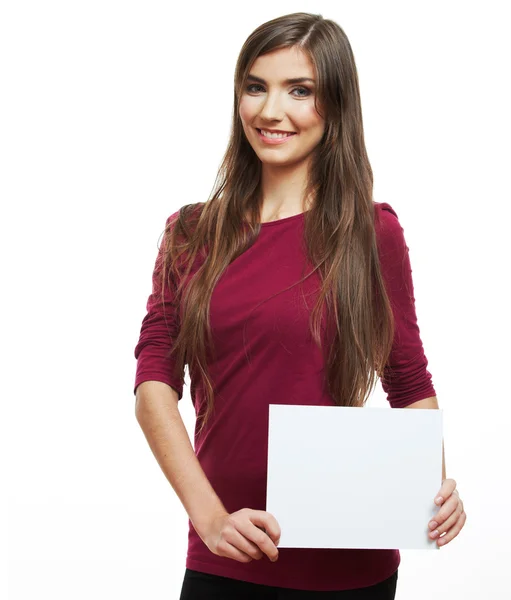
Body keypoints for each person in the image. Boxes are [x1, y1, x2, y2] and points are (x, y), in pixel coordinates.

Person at [133, 11, 466, 599]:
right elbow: (154, 380)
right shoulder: (189, 233)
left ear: (335, 106)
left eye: (300, 90)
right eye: (256, 86)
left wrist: (431, 486)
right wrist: (208, 517)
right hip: (228, 550)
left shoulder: (371, 232)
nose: (270, 111)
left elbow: (408, 377)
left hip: (350, 560)